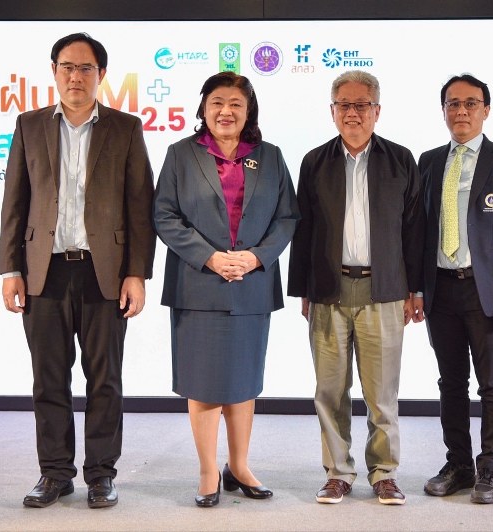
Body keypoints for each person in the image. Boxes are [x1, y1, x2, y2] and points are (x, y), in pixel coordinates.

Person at [0, 32, 156, 509]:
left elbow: (140, 206)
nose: (75, 76)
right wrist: (10, 268)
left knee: (104, 379)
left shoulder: (125, 128)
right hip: (43, 271)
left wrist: (136, 273)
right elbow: (15, 201)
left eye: (86, 68)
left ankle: (102, 474)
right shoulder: (29, 125)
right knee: (48, 379)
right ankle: (55, 473)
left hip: (103, 273)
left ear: (101, 75)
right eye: (67, 66)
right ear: (54, 71)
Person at [153, 71, 299, 508]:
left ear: (249, 111)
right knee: (203, 385)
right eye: (217, 102)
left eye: (236, 103)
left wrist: (255, 257)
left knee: (243, 383)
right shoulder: (181, 154)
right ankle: (207, 471)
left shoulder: (270, 157)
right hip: (198, 284)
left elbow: (287, 217)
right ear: (203, 108)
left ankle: (239, 466)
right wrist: (211, 257)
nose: (226, 111)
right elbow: (164, 215)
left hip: (251, 284)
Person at [287, 70, 424, 505]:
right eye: (343, 105)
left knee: (381, 395)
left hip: (385, 291)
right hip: (328, 291)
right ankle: (338, 473)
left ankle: (384, 473)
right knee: (330, 391)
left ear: (377, 111)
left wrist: (416, 289)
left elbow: (414, 231)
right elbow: (303, 231)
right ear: (332, 112)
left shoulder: (401, 160)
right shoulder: (314, 162)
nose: (352, 113)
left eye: (361, 105)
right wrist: (303, 290)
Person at [415, 73, 493, 504]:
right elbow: (419, 231)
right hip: (440, 290)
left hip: (485, 294)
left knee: (492, 384)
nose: (461, 111)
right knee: (450, 383)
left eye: (470, 103)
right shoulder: (429, 161)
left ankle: (491, 469)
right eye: (453, 103)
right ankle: (460, 465)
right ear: (443, 110)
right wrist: (416, 289)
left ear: (485, 110)